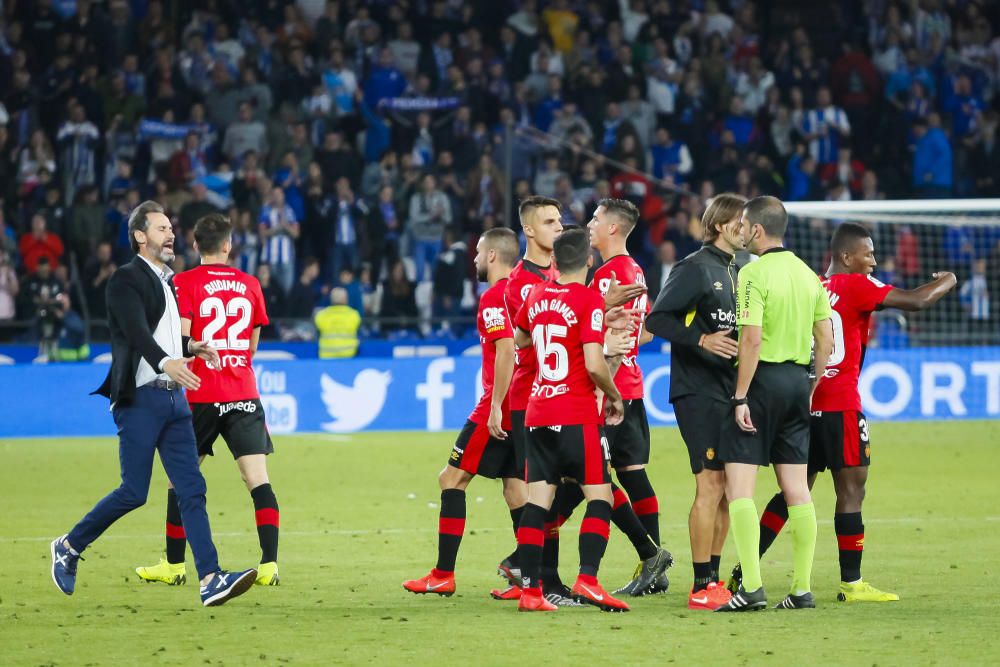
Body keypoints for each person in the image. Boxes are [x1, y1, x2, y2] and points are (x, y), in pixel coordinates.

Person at [50, 201, 258, 607]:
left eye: (171, 228)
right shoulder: (124, 280)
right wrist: (168, 361)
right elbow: (136, 333)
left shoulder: (168, 281)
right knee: (134, 491)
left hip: (173, 399)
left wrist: (191, 346)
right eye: (162, 228)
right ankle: (69, 545)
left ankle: (211, 577)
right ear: (140, 236)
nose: (171, 234)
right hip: (141, 399)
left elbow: (162, 337)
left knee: (191, 487)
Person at [737, 222, 956, 602]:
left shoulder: (811, 285)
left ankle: (746, 571)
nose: (872, 262)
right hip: (841, 405)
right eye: (868, 254)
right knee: (852, 491)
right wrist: (950, 278)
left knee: (794, 490)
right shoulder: (855, 284)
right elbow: (919, 300)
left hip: (804, 403)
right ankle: (851, 584)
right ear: (846, 256)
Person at [134, 212, 280, 587]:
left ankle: (173, 565)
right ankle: (269, 566)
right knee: (257, 480)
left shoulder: (183, 283)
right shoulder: (250, 284)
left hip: (201, 393)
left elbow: (183, 341)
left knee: (179, 479)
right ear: (229, 245)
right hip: (243, 391)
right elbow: (252, 346)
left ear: (196, 245)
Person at [714, 195, 834, 612]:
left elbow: (750, 338)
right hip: (798, 383)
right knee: (797, 489)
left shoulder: (752, 273)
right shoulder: (809, 275)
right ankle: (801, 589)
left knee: (739, 487)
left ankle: (750, 587)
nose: (741, 231)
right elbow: (826, 341)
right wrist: (812, 384)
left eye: (745, 225)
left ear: (758, 230)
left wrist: (741, 395)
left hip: (761, 382)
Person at [402, 228, 525, 598]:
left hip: (498, 405)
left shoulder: (493, 297)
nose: (473, 259)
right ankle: (529, 576)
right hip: (525, 405)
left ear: (492, 256)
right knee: (515, 490)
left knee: (450, 480)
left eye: (478, 253)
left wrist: (495, 409)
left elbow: (505, 350)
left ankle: (443, 573)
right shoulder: (525, 291)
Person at [512, 228, 628, 613]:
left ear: (554, 262)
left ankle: (531, 592)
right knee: (600, 495)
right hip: (576, 414)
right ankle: (588, 580)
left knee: (538, 502)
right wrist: (613, 395)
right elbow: (595, 364)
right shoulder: (588, 299)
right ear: (589, 261)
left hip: (538, 411)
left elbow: (522, 340)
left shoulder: (535, 294)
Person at [645, 193, 746, 610]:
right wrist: (702, 339)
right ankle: (701, 583)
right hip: (697, 390)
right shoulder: (694, 267)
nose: (748, 227)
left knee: (725, 490)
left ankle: (714, 579)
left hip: (730, 390)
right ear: (720, 224)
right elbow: (657, 318)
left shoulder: (740, 269)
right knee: (710, 484)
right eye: (742, 220)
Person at [586, 198, 676, 597]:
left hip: (613, 389)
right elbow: (646, 332)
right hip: (631, 387)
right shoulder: (634, 269)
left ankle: (650, 558)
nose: (590, 224)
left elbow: (619, 340)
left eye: (595, 219)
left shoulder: (610, 275)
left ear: (613, 229)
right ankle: (652, 566)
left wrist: (606, 391)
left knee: (592, 479)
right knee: (633, 476)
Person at [314, 287, 362, 358]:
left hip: (326, 357)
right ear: (346, 299)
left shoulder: (321, 315)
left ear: (331, 299)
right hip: (349, 356)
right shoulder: (354, 315)